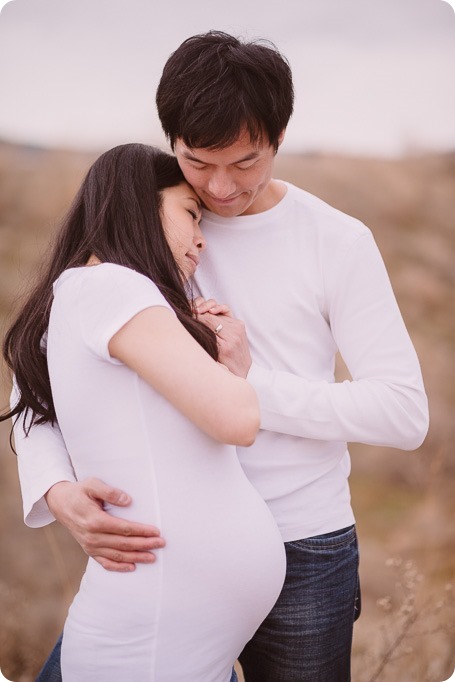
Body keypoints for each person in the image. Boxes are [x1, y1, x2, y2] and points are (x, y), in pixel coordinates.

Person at [11, 32, 429, 681]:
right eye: (198, 161)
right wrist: (54, 486)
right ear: (171, 140)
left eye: (246, 161)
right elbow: (43, 355)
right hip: (164, 552)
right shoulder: (149, 221)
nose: (222, 187)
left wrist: (247, 385)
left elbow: (402, 412)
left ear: (279, 137)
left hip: (302, 551)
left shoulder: (337, 240)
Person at [2, 143, 286, 682]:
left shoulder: (83, 292)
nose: (203, 239)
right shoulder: (114, 284)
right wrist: (237, 368)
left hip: (173, 634)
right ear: (137, 205)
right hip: (152, 634)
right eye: (190, 213)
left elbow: (32, 385)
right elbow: (237, 420)